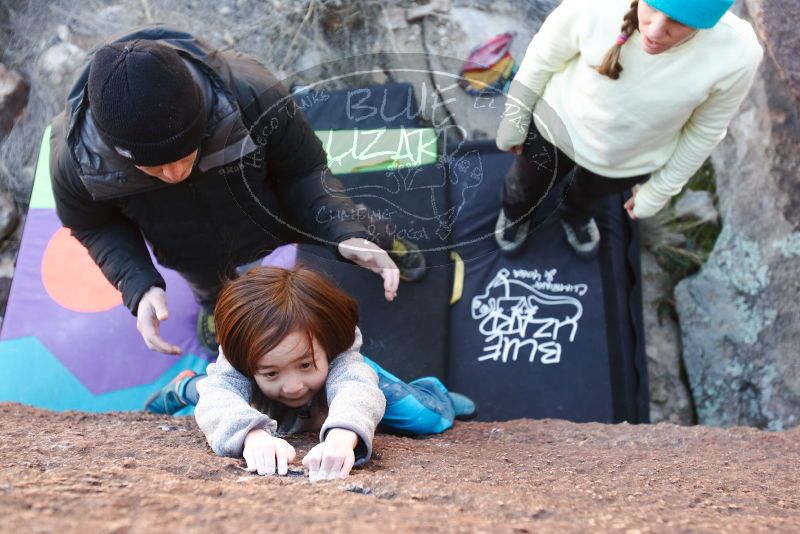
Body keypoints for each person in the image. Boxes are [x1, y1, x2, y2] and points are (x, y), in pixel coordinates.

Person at [49, 25, 425, 355]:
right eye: (153, 166)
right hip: (187, 247)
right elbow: (93, 225)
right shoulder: (76, 160)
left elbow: (304, 171)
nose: (176, 173)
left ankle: (382, 243)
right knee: (212, 289)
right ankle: (215, 305)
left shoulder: (251, 92)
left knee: (356, 230)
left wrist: (345, 232)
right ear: (117, 150)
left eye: (186, 153)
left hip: (277, 209)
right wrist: (138, 284)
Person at [146, 266, 475, 481]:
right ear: (248, 363)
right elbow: (219, 395)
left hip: (347, 389)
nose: (292, 386)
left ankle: (437, 395)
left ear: (328, 347)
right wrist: (252, 435)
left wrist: (342, 438)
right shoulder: (237, 362)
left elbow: (355, 388)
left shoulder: (341, 360)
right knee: (209, 390)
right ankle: (183, 387)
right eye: (271, 372)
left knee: (421, 417)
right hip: (253, 395)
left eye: (305, 365)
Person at [494, 0, 763, 258]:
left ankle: (574, 216)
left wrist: (660, 190)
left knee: (587, 199)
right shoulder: (593, 5)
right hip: (552, 130)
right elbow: (541, 60)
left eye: (678, 21)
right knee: (524, 187)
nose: (655, 30)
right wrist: (514, 120)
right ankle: (516, 213)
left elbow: (705, 130)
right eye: (653, 6)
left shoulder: (737, 54)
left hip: (626, 160)